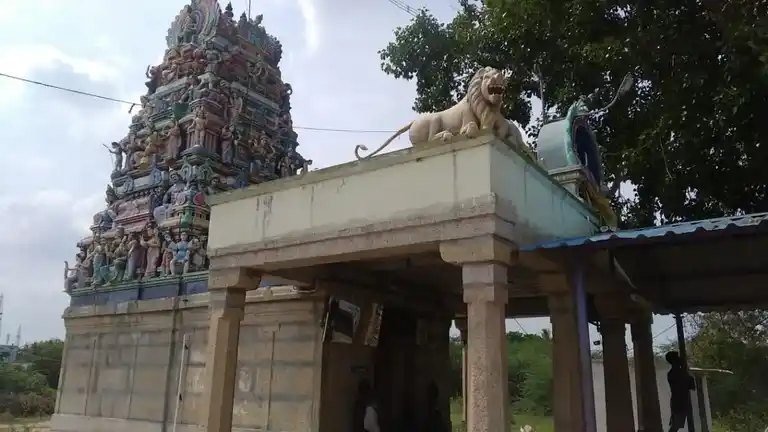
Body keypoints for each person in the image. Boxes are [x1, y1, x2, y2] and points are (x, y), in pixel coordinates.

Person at [666, 351, 695, 432]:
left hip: (680, 402)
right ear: (674, 361)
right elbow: (690, 385)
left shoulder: (675, 373)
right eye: (677, 359)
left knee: (676, 425)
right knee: (675, 426)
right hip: (679, 403)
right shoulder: (676, 373)